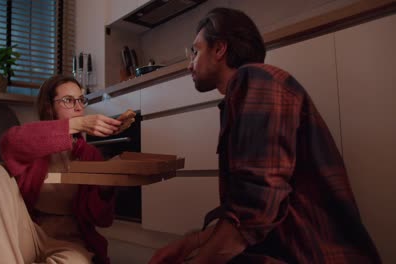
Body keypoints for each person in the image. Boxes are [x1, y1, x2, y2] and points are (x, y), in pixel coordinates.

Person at [149, 7, 381, 264]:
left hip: (313, 254)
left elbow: (255, 205)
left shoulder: (257, 79)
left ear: (219, 49)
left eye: (195, 50)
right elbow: (246, 211)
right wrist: (189, 244)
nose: (189, 63)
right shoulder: (241, 94)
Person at [0, 75, 122, 264]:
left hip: (69, 240)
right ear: (49, 107)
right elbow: (9, 142)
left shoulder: (90, 155)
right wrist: (77, 124)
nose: (78, 107)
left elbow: (102, 219)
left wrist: (107, 187)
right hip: (28, 233)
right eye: (68, 100)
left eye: (81, 100)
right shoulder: (34, 142)